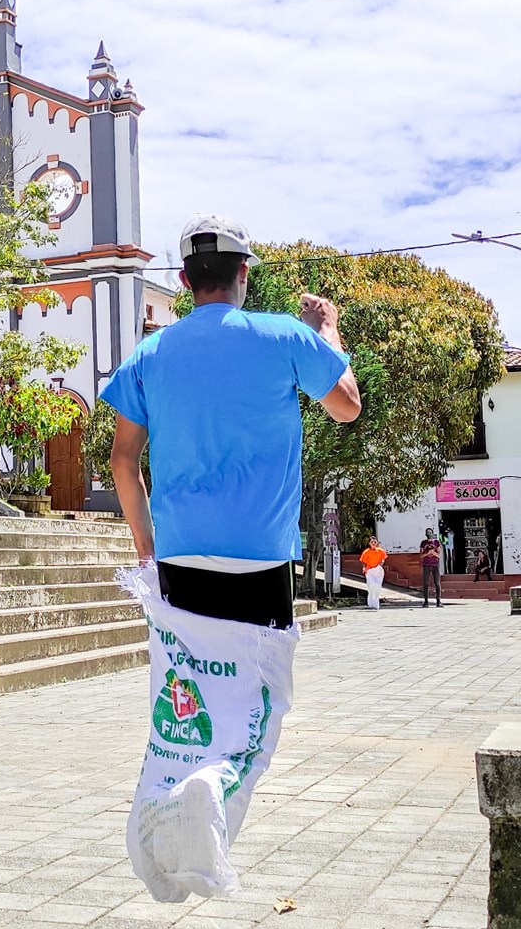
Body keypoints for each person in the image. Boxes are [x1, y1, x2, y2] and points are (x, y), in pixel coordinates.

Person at [104, 214, 361, 629]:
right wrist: (326, 332)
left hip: (179, 554)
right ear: (243, 271)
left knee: (190, 689)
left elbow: (122, 461)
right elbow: (346, 406)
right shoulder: (286, 336)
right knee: (260, 691)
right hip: (262, 555)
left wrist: (147, 549)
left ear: (185, 281)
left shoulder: (148, 354)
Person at [417, 527, 444, 608]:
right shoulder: (423, 543)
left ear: (433, 533)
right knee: (426, 584)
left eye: (430, 532)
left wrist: (433, 553)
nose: (429, 534)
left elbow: (439, 555)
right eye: (427, 532)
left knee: (437, 584)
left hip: (435, 565)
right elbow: (421, 555)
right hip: (426, 565)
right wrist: (427, 553)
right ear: (425, 534)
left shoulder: (436, 542)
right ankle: (426, 601)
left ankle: (438, 601)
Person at [358, 538, 387, 610]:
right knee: (371, 586)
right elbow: (363, 561)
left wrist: (381, 563)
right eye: (372, 542)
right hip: (370, 571)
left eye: (375, 542)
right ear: (369, 543)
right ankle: (371, 603)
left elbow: (383, 558)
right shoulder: (366, 552)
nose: (373, 543)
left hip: (378, 570)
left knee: (377, 586)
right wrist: (364, 568)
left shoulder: (380, 550)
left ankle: (376, 604)